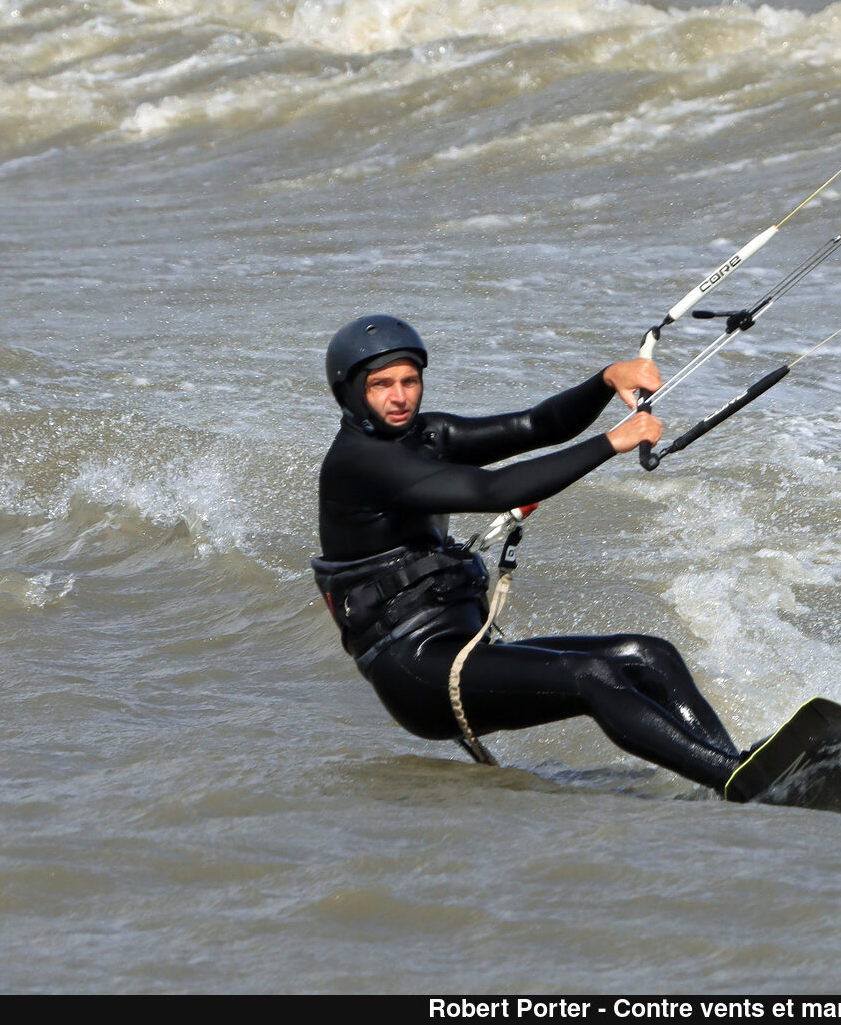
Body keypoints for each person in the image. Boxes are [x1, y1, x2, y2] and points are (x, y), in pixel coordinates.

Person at [312, 314, 745, 790]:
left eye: (410, 381)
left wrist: (605, 381)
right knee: (591, 676)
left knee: (651, 656)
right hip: (416, 669)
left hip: (459, 644)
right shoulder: (359, 464)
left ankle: (736, 769)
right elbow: (493, 489)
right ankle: (734, 782)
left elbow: (536, 425)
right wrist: (610, 443)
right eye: (381, 385)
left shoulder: (425, 437)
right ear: (350, 391)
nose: (399, 397)